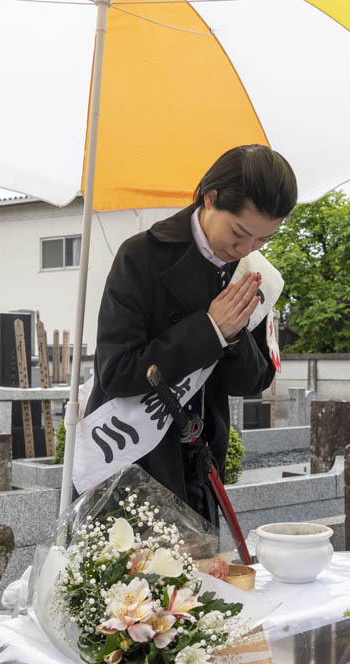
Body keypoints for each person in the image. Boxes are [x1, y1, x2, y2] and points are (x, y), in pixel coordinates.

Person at [86, 144, 297, 524]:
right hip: (134, 465)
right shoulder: (141, 257)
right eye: (239, 233)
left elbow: (253, 381)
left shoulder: (253, 275)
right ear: (211, 198)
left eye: (263, 240)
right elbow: (117, 373)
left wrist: (231, 336)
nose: (246, 249)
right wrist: (209, 330)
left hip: (202, 465)